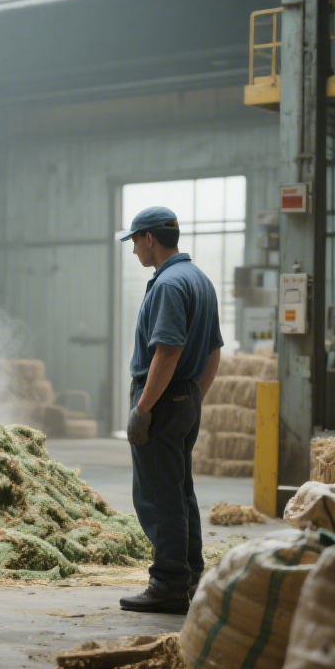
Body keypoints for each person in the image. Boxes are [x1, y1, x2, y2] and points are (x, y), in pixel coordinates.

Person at [116, 206, 222, 615]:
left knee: (158, 494)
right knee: (179, 489)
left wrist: (144, 408)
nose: (133, 251)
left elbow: (168, 350)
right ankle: (191, 575)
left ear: (149, 238)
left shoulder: (169, 284)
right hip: (184, 396)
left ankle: (168, 583)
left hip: (162, 398)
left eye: (134, 242)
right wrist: (193, 396)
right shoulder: (199, 280)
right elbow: (213, 351)